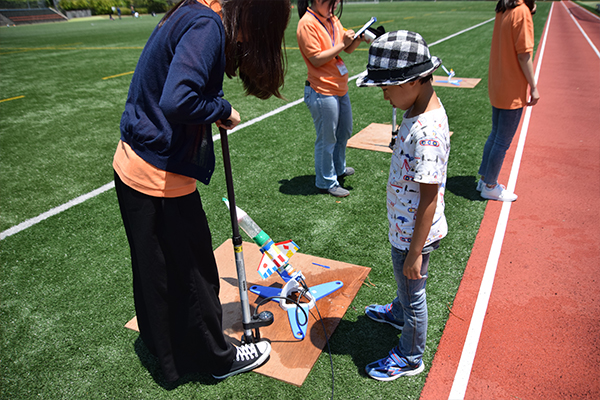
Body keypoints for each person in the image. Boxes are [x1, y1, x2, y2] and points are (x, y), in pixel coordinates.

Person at [113, 0, 290, 382]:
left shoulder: (193, 9)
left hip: (132, 162)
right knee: (196, 274)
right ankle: (216, 360)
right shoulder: (208, 25)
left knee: (157, 271)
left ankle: (167, 350)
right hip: (159, 174)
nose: (246, 39)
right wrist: (223, 108)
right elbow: (179, 98)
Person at [356, 30, 450, 381]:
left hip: (414, 235)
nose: (384, 96)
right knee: (405, 287)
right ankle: (397, 312)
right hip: (405, 227)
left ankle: (410, 356)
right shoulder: (416, 109)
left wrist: (414, 252)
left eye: (386, 88)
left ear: (412, 81)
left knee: (415, 298)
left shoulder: (426, 133)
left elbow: (428, 197)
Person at [296, 0, 364, 197]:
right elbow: (316, 58)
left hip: (339, 86)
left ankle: (338, 168)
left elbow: (346, 49)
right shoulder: (307, 23)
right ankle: (326, 181)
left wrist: (357, 40)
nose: (335, 6)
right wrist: (343, 43)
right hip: (321, 89)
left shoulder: (332, 19)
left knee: (344, 131)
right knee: (327, 138)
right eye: (332, 2)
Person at [477, 0, 539, 201]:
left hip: (498, 83)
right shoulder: (521, 12)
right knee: (502, 141)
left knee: (495, 135)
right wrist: (534, 86)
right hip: (512, 87)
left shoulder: (503, 9)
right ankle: (490, 185)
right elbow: (524, 55)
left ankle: (485, 179)